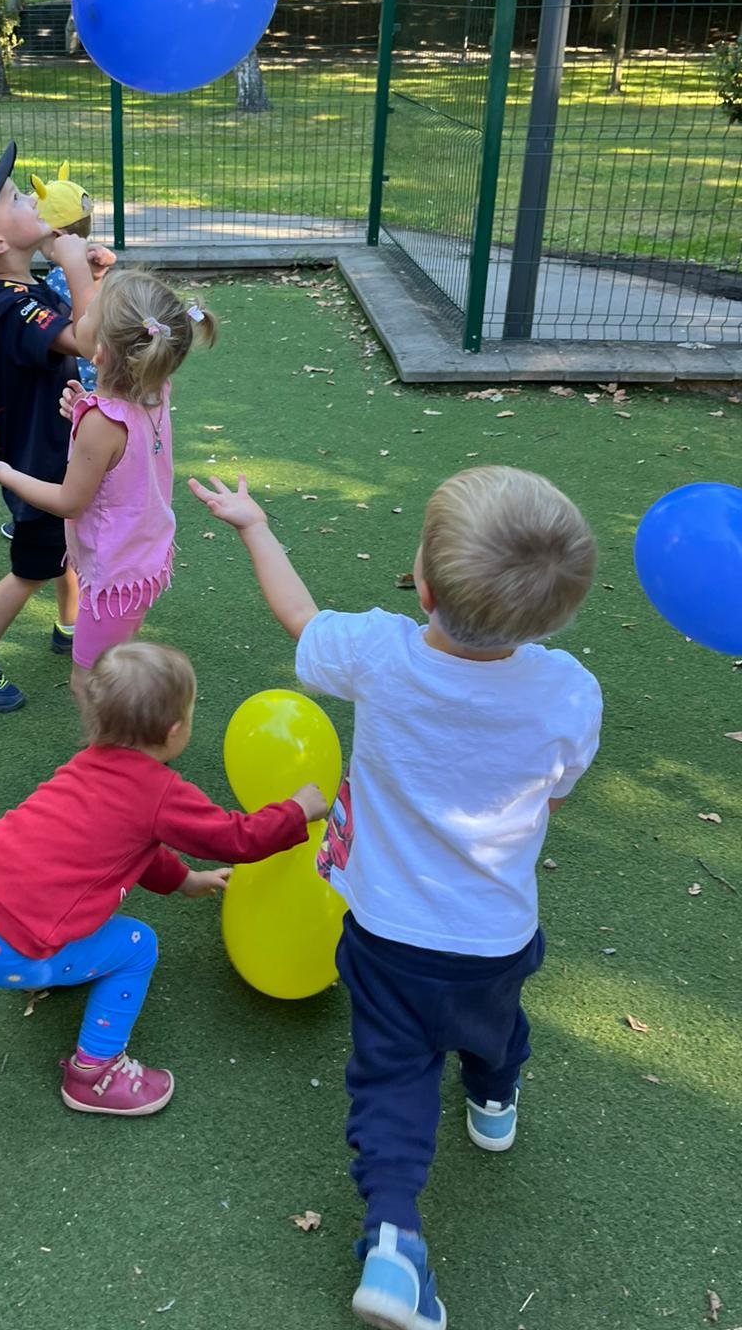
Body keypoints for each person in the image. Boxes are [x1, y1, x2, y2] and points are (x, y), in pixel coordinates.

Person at [189, 464, 601, 1330]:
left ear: (424, 587)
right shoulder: (569, 691)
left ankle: (393, 1242)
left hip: (385, 933)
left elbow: (299, 618)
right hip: (494, 932)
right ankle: (494, 1102)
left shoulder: (380, 653)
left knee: (392, 1078)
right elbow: (554, 798)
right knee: (496, 1026)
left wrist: (254, 525)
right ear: (555, 615)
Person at [0, 641, 327, 1115]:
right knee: (137, 946)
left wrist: (184, 880)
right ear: (174, 730)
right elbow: (236, 839)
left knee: (61, 894)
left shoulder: (85, 766)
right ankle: (94, 1073)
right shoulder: (158, 792)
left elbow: (130, 849)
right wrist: (297, 812)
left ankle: (53, 966)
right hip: (13, 948)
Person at [0, 268, 215, 704]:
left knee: (90, 683)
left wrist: (3, 472)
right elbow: (122, 447)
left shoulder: (101, 422)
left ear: (102, 352)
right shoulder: (154, 389)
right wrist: (82, 411)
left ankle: (110, 747)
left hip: (113, 574)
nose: (79, 314)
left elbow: (69, 502)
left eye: (89, 314)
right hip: (143, 557)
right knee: (117, 662)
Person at [0, 141, 111, 712]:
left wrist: (89, 276)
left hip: (48, 444)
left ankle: (70, 626)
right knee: (31, 568)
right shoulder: (8, 305)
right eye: (13, 198)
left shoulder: (19, 290)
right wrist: (76, 266)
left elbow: (77, 322)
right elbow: (87, 340)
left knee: (68, 541)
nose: (31, 200)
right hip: (38, 458)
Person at [32, 160, 113, 394]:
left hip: (80, 380)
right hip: (106, 375)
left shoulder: (58, 281)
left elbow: (69, 334)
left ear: (56, 235)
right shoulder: (97, 264)